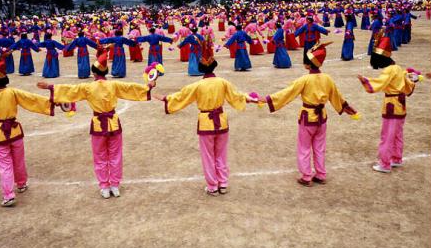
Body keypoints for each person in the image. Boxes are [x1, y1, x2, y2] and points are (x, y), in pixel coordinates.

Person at [37, 51, 155, 198]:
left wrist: (50, 87)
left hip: (98, 124)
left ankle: (104, 186)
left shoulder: (88, 87)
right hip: (113, 124)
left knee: (100, 156)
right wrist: (148, 87)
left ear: (94, 73)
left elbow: (71, 90)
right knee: (115, 155)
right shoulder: (114, 85)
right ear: (105, 72)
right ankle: (115, 185)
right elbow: (130, 88)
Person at [153, 56, 254, 196]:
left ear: (201, 70)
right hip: (221, 121)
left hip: (206, 123)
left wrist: (166, 98)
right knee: (221, 154)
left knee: (208, 156)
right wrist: (250, 98)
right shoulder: (223, 82)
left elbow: (181, 96)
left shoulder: (197, 86)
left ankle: (212, 186)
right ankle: (223, 183)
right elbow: (236, 96)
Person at [259, 42, 357, 186]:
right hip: (321, 117)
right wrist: (346, 107)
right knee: (319, 147)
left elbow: (287, 93)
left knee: (304, 147)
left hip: (307, 117)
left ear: (308, 64)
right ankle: (321, 174)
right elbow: (337, 96)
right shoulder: (327, 78)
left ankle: (306, 177)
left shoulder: (304, 80)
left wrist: (267, 99)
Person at [0, 55, 54, 206]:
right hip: (15, 131)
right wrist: (51, 102)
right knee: (18, 160)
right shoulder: (13, 92)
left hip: (0, 133)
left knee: (5, 165)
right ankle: (22, 184)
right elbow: (32, 99)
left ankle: (9, 195)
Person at [357, 32, 417, 173]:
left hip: (391, 105)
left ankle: (385, 164)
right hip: (401, 104)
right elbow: (408, 84)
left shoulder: (389, 71)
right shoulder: (397, 68)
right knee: (397, 133)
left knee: (387, 135)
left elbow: (379, 83)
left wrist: (366, 81)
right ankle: (396, 158)